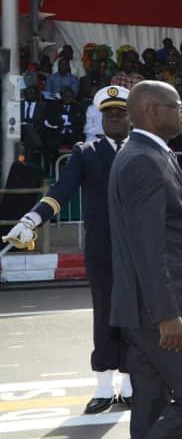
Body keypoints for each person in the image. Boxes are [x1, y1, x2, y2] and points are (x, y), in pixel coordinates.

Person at [78, 81, 182, 439]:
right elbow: (147, 246)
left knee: (153, 414)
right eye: (179, 107)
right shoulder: (142, 160)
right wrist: (168, 314)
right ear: (155, 110)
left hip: (141, 313)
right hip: (160, 315)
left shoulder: (144, 154)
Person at [5, 85, 133, 415]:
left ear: (131, 117)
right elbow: (61, 191)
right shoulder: (86, 152)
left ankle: (131, 384)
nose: (116, 118)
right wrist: (32, 219)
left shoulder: (143, 150)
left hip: (137, 248)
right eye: (110, 114)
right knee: (105, 313)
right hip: (103, 248)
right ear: (101, 119)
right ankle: (104, 386)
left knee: (136, 313)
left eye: (121, 113)